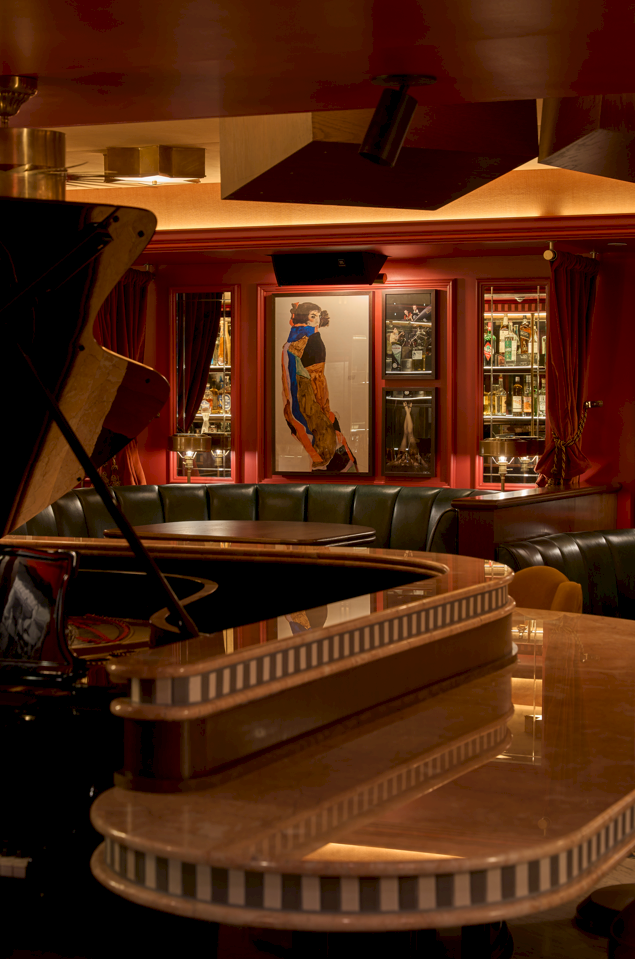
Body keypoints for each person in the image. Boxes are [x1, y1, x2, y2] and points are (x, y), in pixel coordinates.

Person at [281, 301, 357, 472]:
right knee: (328, 444)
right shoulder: (312, 340)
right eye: (312, 316)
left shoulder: (292, 342)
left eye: (318, 316)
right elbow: (316, 380)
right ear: (304, 318)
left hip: (300, 403)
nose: (316, 320)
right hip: (309, 402)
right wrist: (323, 408)